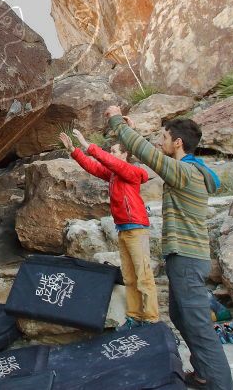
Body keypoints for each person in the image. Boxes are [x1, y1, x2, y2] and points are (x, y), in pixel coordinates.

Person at [104, 106, 233, 390]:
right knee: (179, 315)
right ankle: (203, 375)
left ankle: (219, 385)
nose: (160, 143)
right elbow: (148, 154)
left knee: (199, 329)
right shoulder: (189, 169)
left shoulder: (184, 172)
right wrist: (133, 130)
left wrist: (116, 120)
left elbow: (147, 154)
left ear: (178, 142)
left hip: (187, 260)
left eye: (164, 137)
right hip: (184, 258)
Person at [59, 127, 159, 330]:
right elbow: (93, 167)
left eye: (114, 151)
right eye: (111, 151)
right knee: (130, 276)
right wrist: (74, 150)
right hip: (123, 228)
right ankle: (134, 315)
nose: (112, 154)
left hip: (136, 228)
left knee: (143, 275)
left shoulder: (132, 172)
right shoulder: (115, 174)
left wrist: (88, 146)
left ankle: (151, 319)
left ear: (125, 154)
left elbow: (110, 162)